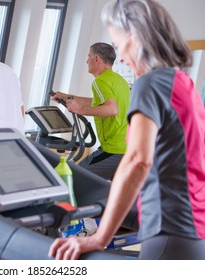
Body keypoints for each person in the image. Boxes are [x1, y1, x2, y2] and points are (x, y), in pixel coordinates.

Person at [49, 0, 205, 260]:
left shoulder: (150, 83)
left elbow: (137, 160)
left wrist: (100, 237)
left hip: (169, 226)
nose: (120, 56)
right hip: (193, 224)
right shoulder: (181, 81)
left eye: (121, 45)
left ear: (136, 36)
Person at [52, 42, 130, 180]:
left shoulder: (100, 81)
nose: (87, 60)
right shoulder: (119, 81)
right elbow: (98, 102)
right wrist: (66, 97)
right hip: (126, 148)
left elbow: (112, 109)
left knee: (74, 176)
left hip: (113, 150)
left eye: (89, 56)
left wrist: (79, 109)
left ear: (96, 59)